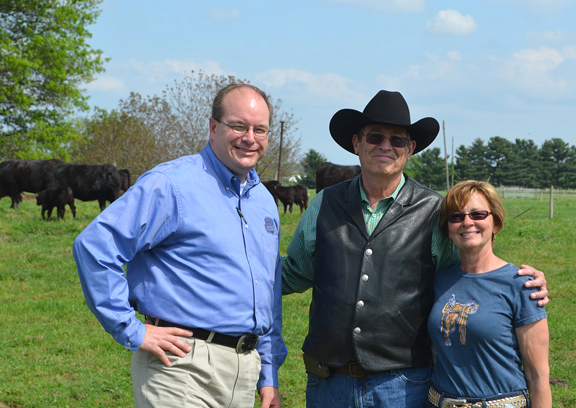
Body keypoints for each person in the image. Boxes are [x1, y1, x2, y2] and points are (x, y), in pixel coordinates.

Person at [281, 90, 549, 408]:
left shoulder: (433, 211)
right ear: (356, 143)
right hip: (328, 385)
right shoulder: (324, 204)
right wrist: (230, 267)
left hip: (402, 387)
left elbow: (467, 275)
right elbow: (293, 273)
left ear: (410, 149)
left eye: (397, 140)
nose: (385, 146)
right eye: (375, 137)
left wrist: (518, 282)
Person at [73, 84, 287, 408]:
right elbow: (95, 246)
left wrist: (267, 373)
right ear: (214, 127)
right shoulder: (171, 184)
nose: (250, 138)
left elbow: (267, 292)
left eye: (260, 129)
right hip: (181, 365)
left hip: (244, 370)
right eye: (239, 126)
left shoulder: (264, 203)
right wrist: (130, 328)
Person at [427, 180, 551, 408]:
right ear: (447, 229)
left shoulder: (522, 284)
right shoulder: (440, 280)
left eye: (478, 214)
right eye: (456, 217)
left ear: (496, 223)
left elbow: (538, 376)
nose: (467, 222)